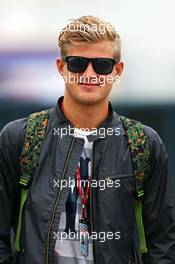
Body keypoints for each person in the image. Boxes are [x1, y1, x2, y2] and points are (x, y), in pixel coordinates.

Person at [0, 15, 175, 264]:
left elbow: (163, 241)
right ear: (61, 67)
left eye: (102, 65)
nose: (89, 73)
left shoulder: (144, 143)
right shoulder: (20, 138)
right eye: (77, 63)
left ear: (117, 70)